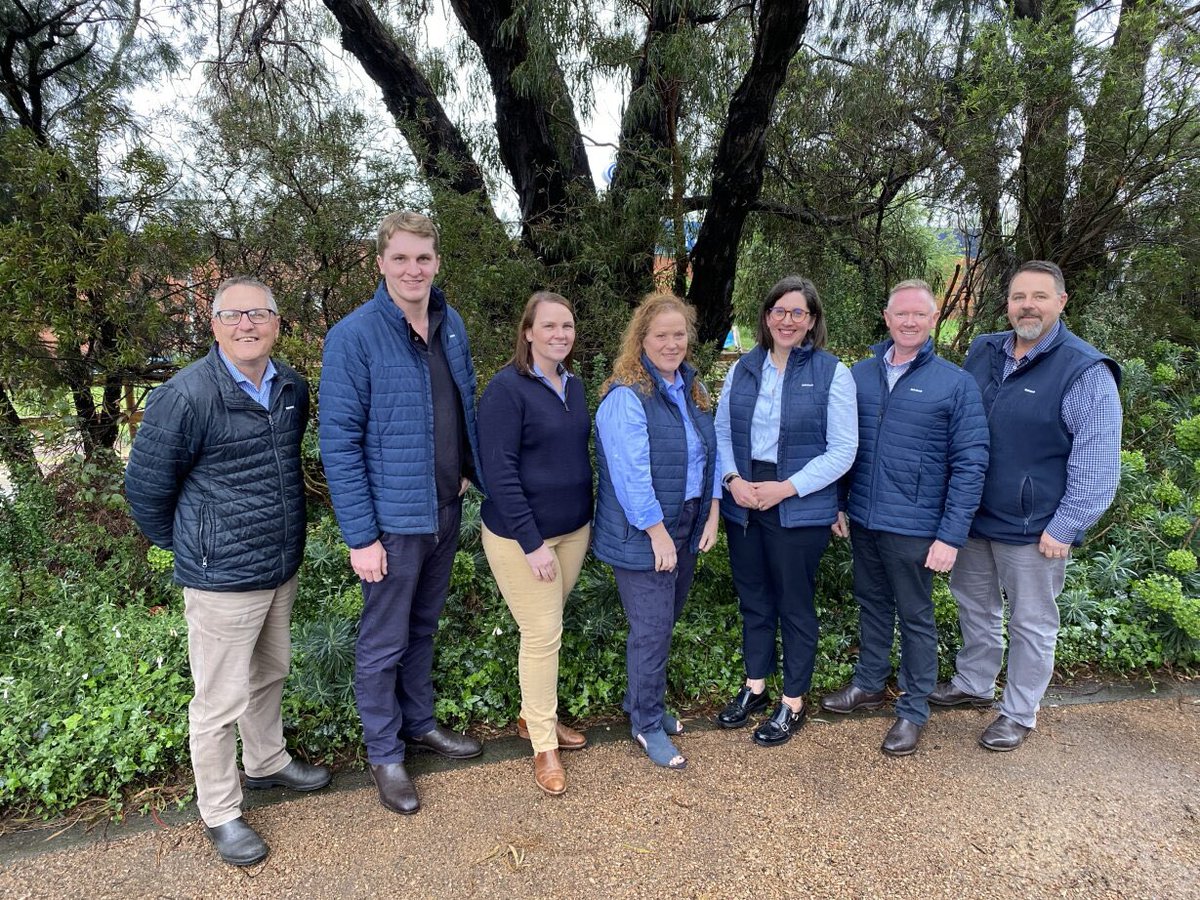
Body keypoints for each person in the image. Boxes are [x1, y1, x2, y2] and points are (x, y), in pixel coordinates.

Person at [125, 276, 330, 867]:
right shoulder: (185, 396)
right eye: (234, 315)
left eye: (259, 314)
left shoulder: (290, 387)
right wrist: (196, 547)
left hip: (278, 565)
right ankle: (220, 810)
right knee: (218, 701)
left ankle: (266, 762)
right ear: (213, 325)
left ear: (276, 322)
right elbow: (145, 491)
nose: (247, 324)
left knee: (270, 673)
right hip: (220, 579)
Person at [319, 211, 484, 815]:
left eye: (423, 258)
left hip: (443, 508)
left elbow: (462, 400)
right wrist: (362, 536)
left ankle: (419, 725)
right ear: (381, 263)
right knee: (383, 640)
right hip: (391, 521)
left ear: (437, 262)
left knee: (422, 629)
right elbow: (338, 442)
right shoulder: (354, 336)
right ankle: (385, 753)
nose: (413, 269)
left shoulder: (450, 323)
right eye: (401, 258)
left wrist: (468, 467)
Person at [932, 260, 1122, 751]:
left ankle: (1019, 711)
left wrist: (1066, 526)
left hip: (1036, 528)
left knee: (1031, 622)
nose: (1027, 306)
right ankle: (974, 682)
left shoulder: (1085, 369)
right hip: (973, 517)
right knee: (975, 607)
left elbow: (1097, 464)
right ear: (1008, 304)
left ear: (1061, 302)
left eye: (1040, 296)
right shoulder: (984, 350)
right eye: (1019, 297)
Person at [821, 280, 989, 756]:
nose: (910, 321)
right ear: (887, 317)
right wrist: (838, 502)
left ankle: (913, 709)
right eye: (901, 314)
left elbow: (971, 463)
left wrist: (950, 535)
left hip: (917, 528)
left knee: (916, 617)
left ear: (934, 320)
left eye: (920, 314)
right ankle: (870, 683)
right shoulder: (858, 376)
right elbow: (842, 448)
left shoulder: (956, 384)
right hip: (865, 520)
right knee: (871, 604)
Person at [714, 275, 858, 747]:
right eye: (779, 310)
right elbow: (721, 432)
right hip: (745, 498)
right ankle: (755, 687)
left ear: (812, 320)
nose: (787, 320)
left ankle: (792, 701)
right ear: (766, 316)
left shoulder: (833, 371)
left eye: (798, 312)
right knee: (754, 599)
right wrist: (732, 480)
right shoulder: (743, 368)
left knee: (794, 605)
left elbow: (843, 449)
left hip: (797, 503)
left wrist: (786, 489)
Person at [593, 292, 721, 770]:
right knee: (651, 629)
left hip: (688, 521)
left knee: (662, 625)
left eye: (679, 334)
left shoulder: (691, 388)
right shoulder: (626, 396)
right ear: (641, 340)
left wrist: (711, 513)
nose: (672, 343)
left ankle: (640, 704)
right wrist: (657, 533)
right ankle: (646, 724)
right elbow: (630, 474)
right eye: (661, 335)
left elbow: (712, 452)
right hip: (645, 530)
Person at [478, 292, 593, 796]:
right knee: (543, 633)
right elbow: (498, 473)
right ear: (528, 332)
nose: (559, 334)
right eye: (549, 326)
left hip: (574, 531)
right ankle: (543, 745)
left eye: (566, 326)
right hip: (523, 537)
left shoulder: (575, 385)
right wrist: (531, 542)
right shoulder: (506, 390)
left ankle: (532, 717)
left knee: (547, 627)